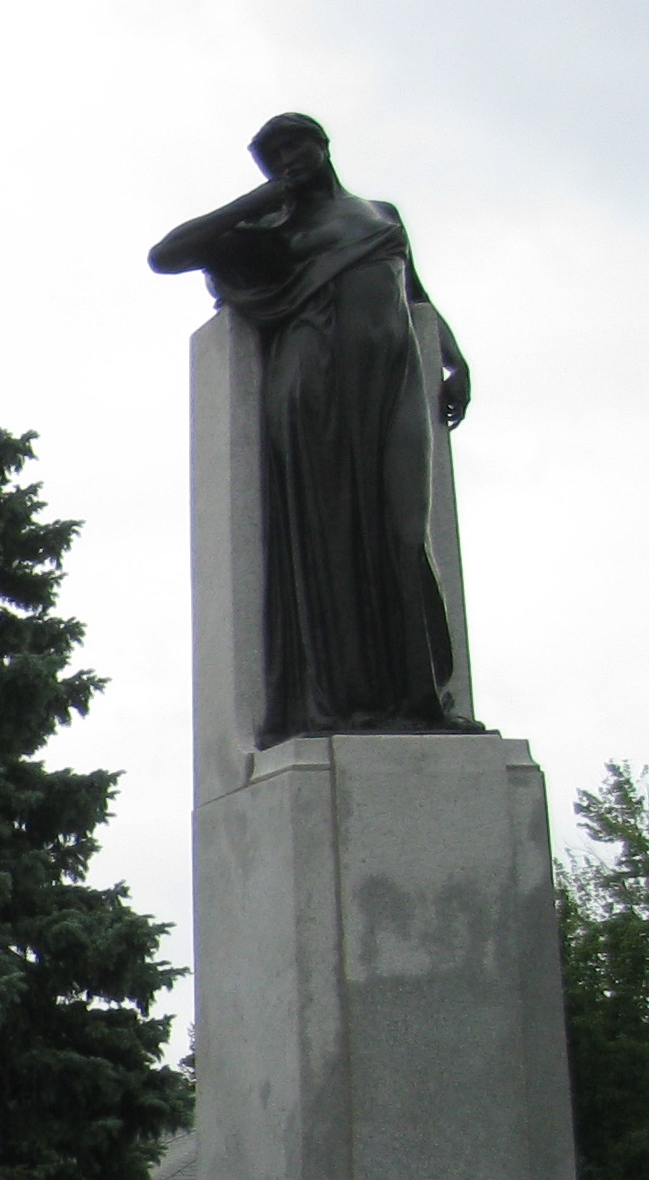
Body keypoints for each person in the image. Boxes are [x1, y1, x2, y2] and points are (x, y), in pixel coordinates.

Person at [149, 114, 471, 744]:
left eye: (295, 145)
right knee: (332, 535)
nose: (287, 158)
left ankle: (423, 699)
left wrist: (453, 361)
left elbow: (415, 295)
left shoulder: (380, 213)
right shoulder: (274, 231)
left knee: (405, 531)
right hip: (315, 383)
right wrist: (262, 200)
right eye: (272, 155)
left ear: (323, 145)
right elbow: (166, 255)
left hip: (392, 381)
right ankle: (352, 701)